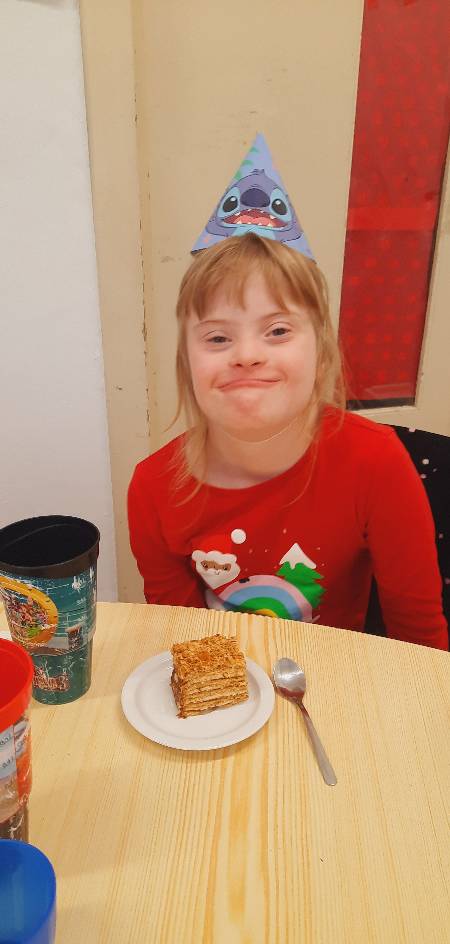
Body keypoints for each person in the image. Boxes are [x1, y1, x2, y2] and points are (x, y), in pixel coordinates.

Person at [128, 136, 448, 650]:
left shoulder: (376, 464)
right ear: (187, 365)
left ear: (321, 353)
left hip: (337, 675)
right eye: (217, 337)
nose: (247, 354)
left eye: (277, 330)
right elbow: (183, 639)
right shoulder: (152, 489)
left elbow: (420, 641)